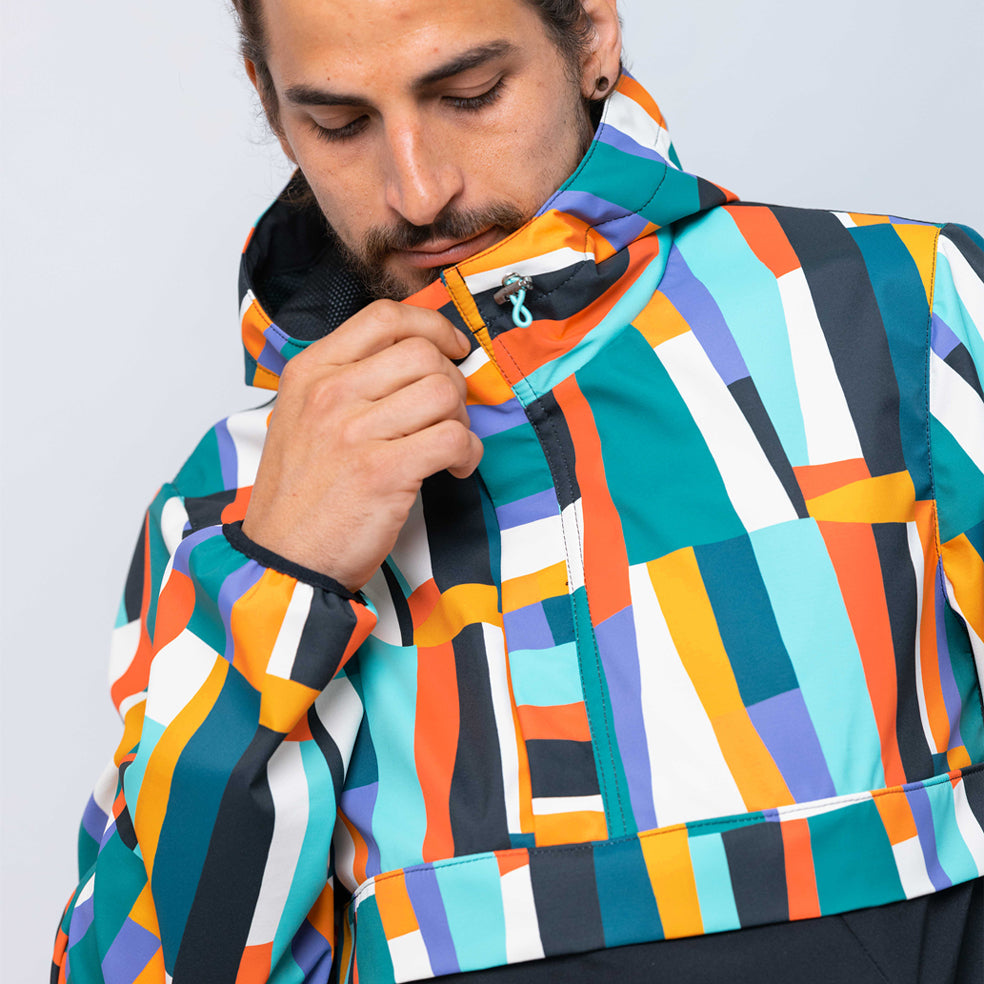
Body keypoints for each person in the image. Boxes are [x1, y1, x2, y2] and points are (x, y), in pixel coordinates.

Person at [52, 0, 984, 981]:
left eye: (470, 93)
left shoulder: (904, 312)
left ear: (592, 34)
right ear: (271, 104)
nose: (418, 192)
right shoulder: (230, 505)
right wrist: (280, 579)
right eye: (339, 123)